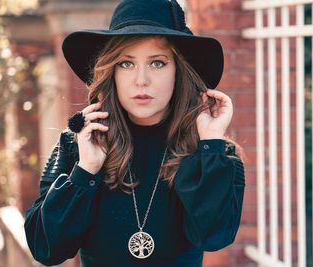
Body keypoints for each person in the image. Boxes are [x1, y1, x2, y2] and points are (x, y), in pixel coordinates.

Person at [24, 0, 245, 266]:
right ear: (111, 72)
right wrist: (85, 171)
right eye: (126, 64)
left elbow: (214, 237)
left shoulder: (211, 153)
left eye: (158, 63)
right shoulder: (78, 144)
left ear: (179, 72)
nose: (141, 80)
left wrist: (210, 144)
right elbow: (46, 249)